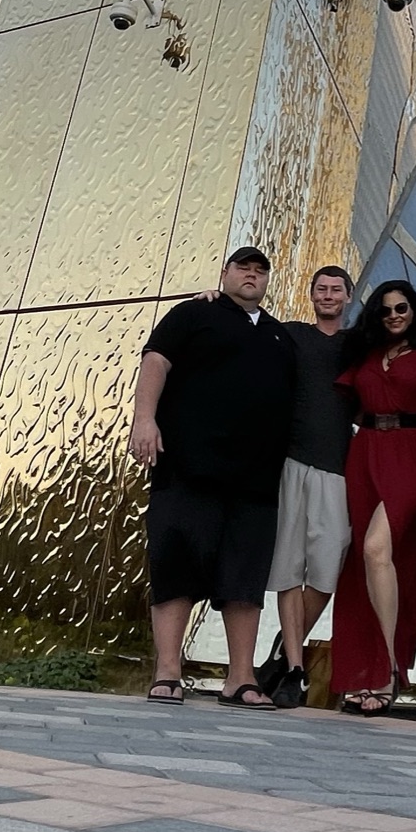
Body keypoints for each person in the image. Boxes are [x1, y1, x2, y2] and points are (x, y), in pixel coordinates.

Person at [128, 246, 294, 707]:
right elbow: (155, 361)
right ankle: (167, 672)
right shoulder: (192, 314)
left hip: (256, 479)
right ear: (224, 273)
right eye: (244, 267)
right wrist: (145, 419)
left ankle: (240, 679)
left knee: (244, 578)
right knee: (176, 564)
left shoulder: (281, 336)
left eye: (261, 271)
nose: (252, 275)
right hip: (187, 467)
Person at [330, 280, 416, 714]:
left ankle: (391, 665)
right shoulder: (365, 354)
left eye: (402, 308)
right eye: (385, 310)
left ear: (414, 310)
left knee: (380, 549)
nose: (394, 315)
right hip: (365, 450)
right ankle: (365, 672)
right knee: (363, 562)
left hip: (412, 450)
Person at [255, 265, 357, 709]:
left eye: (336, 289)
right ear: (311, 294)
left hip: (338, 465)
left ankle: (281, 649)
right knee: (288, 569)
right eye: (321, 288)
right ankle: (295, 670)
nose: (328, 295)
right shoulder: (292, 334)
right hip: (292, 461)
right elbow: (247, 322)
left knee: (326, 570)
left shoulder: (358, 345)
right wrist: (211, 297)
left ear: (348, 297)